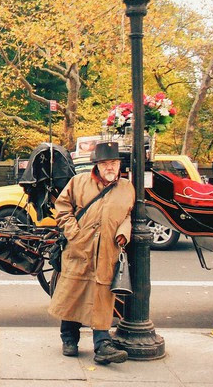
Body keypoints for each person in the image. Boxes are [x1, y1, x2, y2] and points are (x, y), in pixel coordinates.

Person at [48, 141, 135, 365]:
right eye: (105, 163)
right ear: (96, 165)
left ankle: (102, 344)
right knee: (73, 294)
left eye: (114, 162)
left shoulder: (127, 188)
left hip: (107, 250)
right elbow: (62, 208)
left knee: (102, 297)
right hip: (79, 248)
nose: (110, 167)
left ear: (119, 165)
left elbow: (127, 215)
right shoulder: (79, 182)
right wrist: (74, 234)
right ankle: (69, 339)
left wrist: (123, 233)